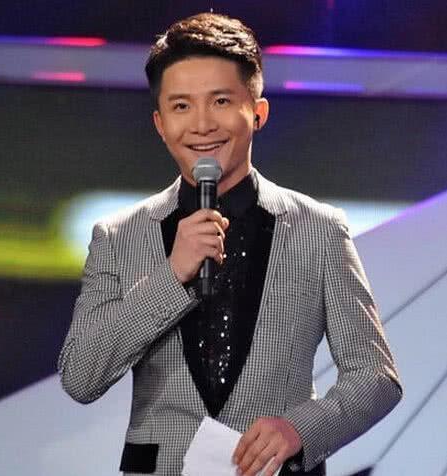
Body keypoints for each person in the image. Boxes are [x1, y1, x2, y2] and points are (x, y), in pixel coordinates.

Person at [58, 12, 402, 476]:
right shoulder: (119, 237)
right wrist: (171, 276)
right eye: (181, 106)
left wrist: (299, 431)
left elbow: (375, 376)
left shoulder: (319, 229)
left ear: (257, 113)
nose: (201, 124)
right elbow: (80, 376)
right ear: (160, 123)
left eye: (220, 101)